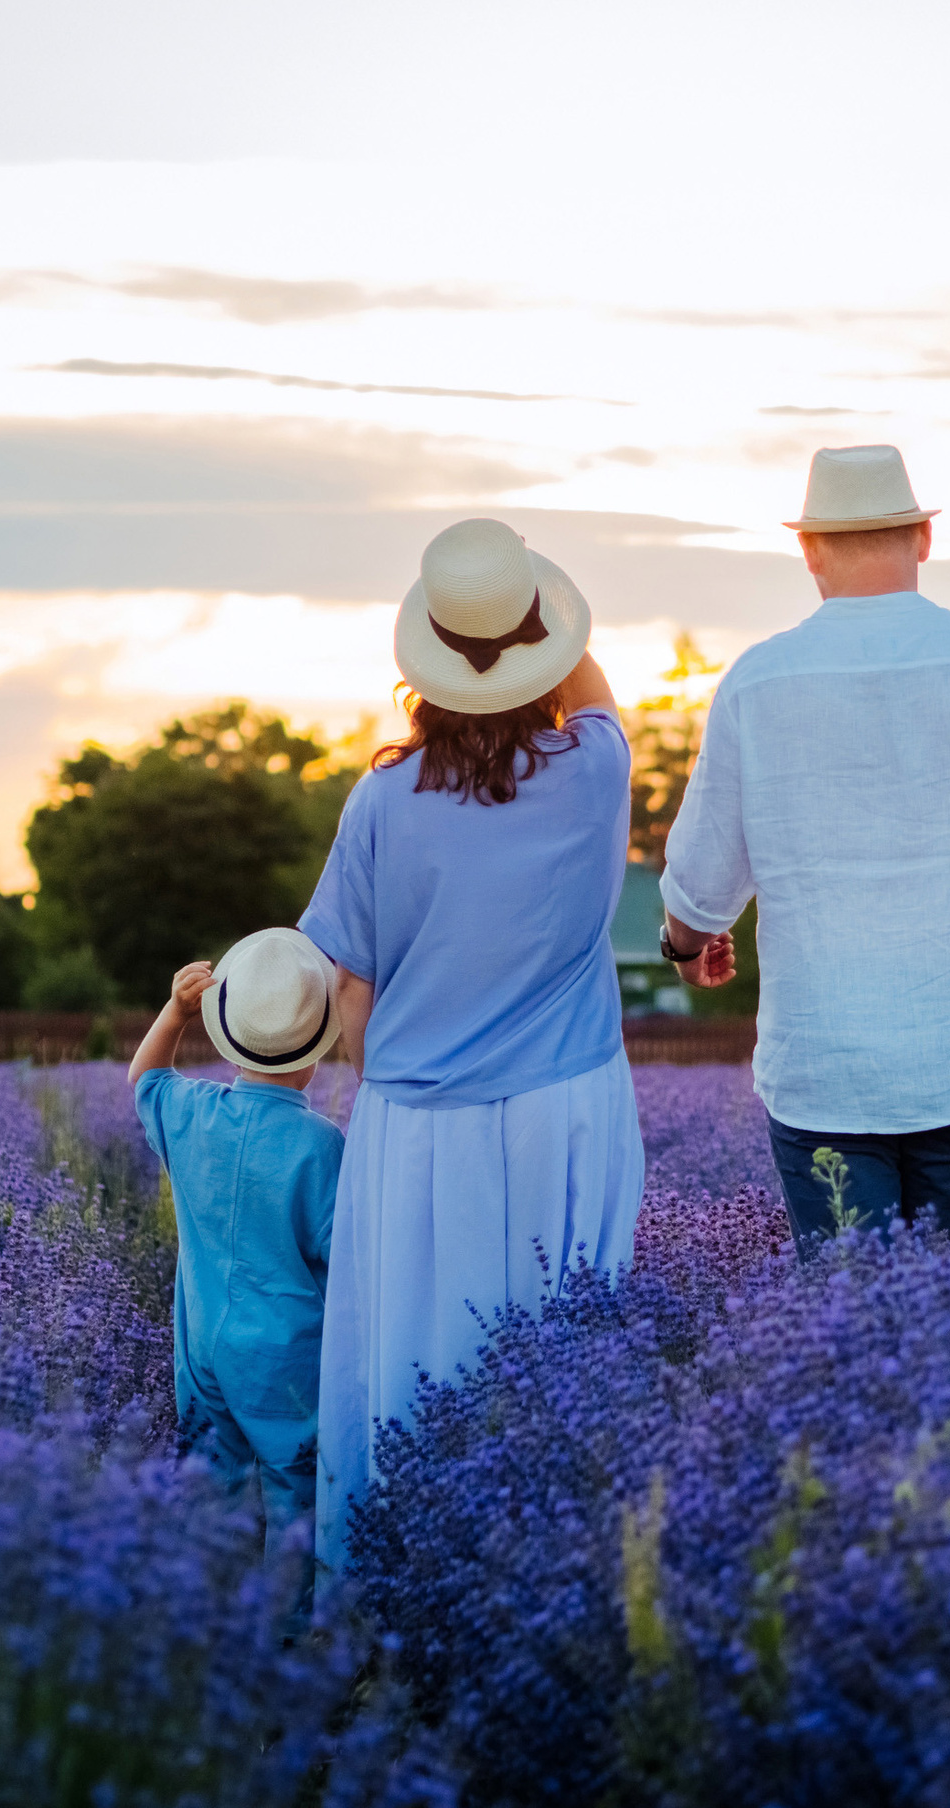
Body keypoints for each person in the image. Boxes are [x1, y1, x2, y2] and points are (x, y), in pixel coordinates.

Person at [298, 516, 642, 1577]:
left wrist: (383, 1071)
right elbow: (591, 689)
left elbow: (343, 982)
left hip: (415, 1124)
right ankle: (549, 1596)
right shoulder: (594, 768)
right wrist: (540, 622)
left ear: (426, 665)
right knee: (562, 1363)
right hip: (565, 1110)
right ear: (541, 648)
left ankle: (393, 1608)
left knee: (408, 1369)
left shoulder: (380, 799)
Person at [659, 444, 950, 1249]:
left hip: (823, 1079)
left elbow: (697, 886)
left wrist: (684, 948)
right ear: (922, 539)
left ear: (808, 549)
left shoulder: (757, 684)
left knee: (854, 1346)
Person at [128, 928, 347, 1545]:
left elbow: (144, 1077)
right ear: (314, 1052)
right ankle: (289, 1626)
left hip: (201, 1340)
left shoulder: (193, 1111)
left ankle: (208, 1600)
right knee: (294, 1489)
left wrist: (175, 1012)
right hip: (286, 1351)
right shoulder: (321, 1145)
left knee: (210, 1480)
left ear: (231, 1038)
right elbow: (344, 1255)